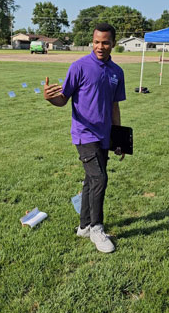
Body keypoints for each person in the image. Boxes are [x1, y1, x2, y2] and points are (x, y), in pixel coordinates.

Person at [44, 23, 126, 253]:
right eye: (97, 42)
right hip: (84, 134)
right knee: (100, 179)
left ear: (113, 44)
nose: (101, 46)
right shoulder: (79, 67)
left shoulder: (116, 72)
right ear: (93, 42)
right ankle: (97, 228)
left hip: (104, 135)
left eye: (106, 42)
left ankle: (83, 226)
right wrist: (49, 98)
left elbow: (114, 107)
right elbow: (63, 99)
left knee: (91, 180)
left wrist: (118, 139)